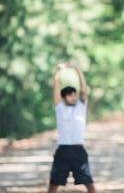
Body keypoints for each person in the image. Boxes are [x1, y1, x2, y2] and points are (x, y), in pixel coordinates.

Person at [48, 62, 96, 193]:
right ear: (63, 97)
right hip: (62, 150)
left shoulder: (81, 107)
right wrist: (59, 70)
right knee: (53, 185)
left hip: (78, 150)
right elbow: (56, 86)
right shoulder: (60, 107)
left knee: (89, 184)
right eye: (70, 95)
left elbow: (84, 89)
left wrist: (77, 69)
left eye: (74, 94)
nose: (73, 97)